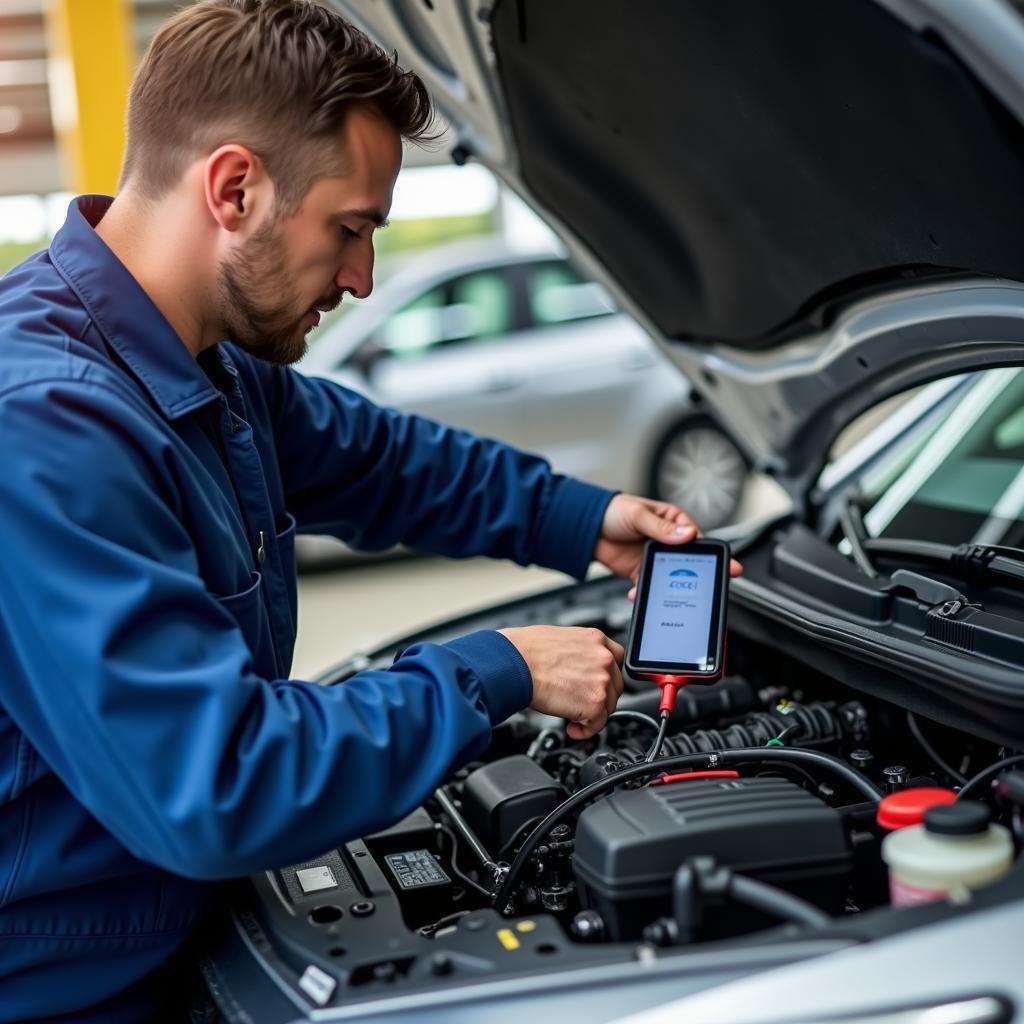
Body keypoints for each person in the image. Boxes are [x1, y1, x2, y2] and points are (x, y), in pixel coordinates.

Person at [0, 1, 738, 1020]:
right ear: (234, 187)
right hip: (71, 994)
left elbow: (385, 461)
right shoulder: (45, 427)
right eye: (350, 229)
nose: (361, 277)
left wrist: (584, 516)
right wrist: (502, 667)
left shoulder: (202, 361)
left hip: (178, 933)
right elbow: (215, 782)